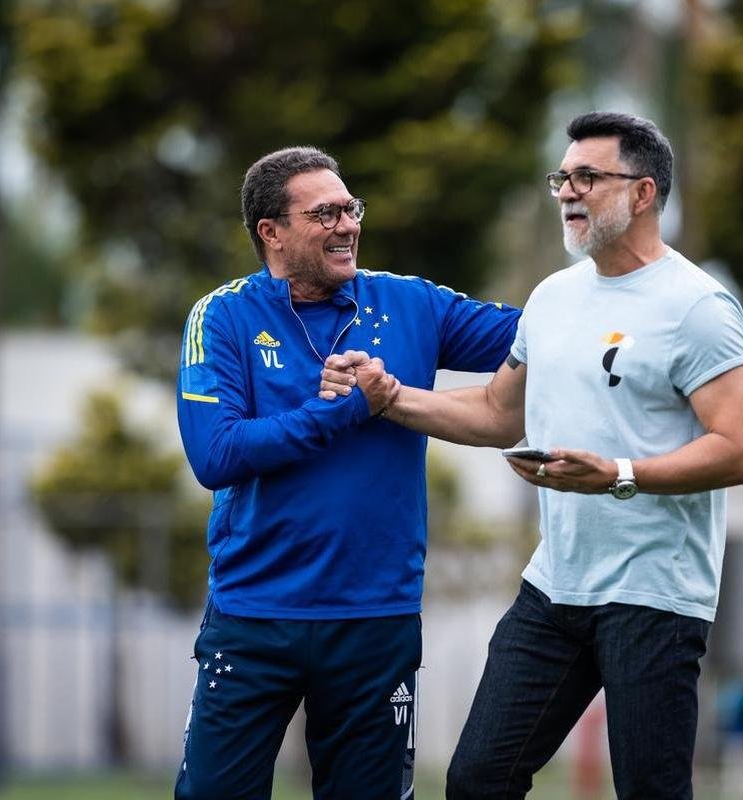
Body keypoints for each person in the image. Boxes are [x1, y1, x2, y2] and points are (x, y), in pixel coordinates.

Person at [322, 111, 743, 799]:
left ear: (642, 193)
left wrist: (618, 476)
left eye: (588, 177)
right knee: (478, 781)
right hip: (554, 586)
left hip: (653, 594)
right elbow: (499, 414)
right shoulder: (553, 297)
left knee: (650, 791)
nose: (567, 191)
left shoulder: (696, 306)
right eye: (562, 177)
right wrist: (388, 399)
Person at [174, 145, 520, 800]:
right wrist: (341, 409)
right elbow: (214, 455)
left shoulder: (410, 303)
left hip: (376, 618)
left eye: (351, 208)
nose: (347, 225)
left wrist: (618, 288)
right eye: (324, 214)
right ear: (271, 232)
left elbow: (536, 335)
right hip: (254, 616)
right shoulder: (222, 314)